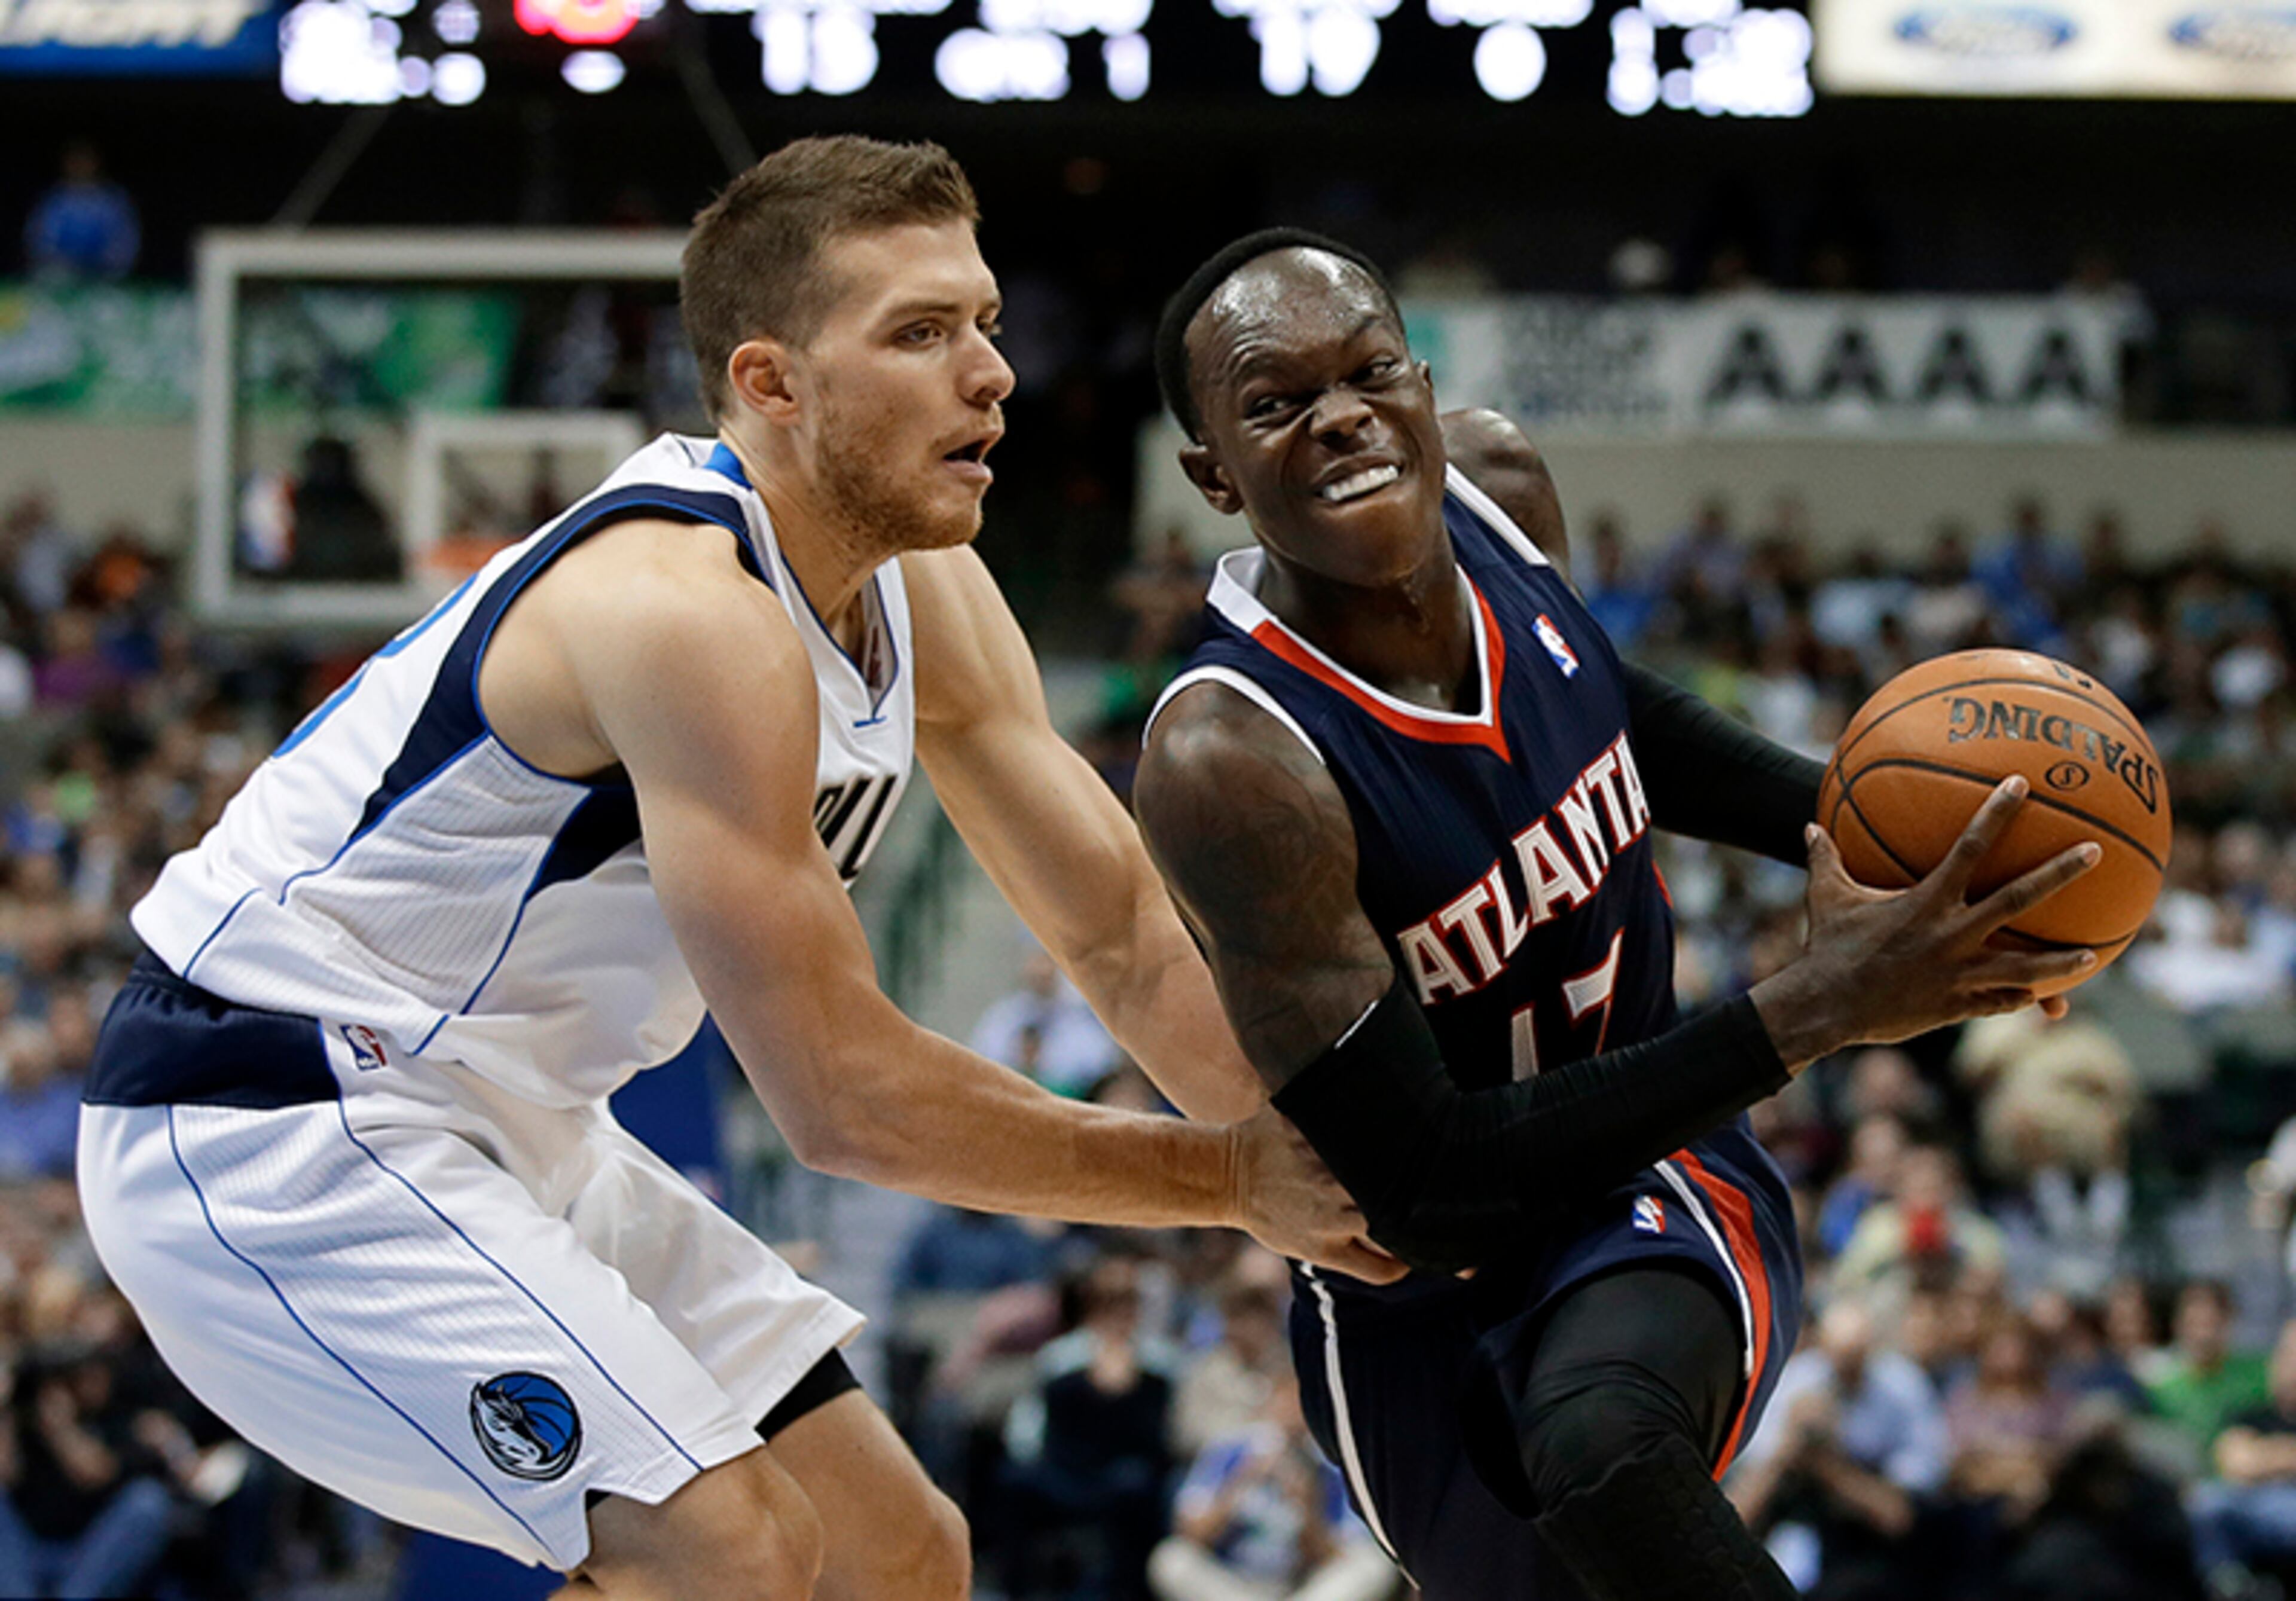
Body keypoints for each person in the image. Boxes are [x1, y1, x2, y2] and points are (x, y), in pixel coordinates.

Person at [74, 139, 1393, 1601]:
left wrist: (1339, 1173)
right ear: (770, 384)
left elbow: (1125, 937)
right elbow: (842, 1100)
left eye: (986, 323)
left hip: (503, 1116)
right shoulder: (680, 613)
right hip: (271, 1117)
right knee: (724, 1552)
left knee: (900, 1555)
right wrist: (1227, 1179)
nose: (991, 374)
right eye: (919, 333)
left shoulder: (924, 585)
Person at [1134, 228, 2100, 1600]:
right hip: (1423, 1296)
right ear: (1212, 471)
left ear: (1418, 381)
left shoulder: (1502, 491)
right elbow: (1427, 1186)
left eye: (1367, 372)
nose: (1342, 414)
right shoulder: (1233, 761)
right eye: (1278, 402)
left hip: (1656, 1177)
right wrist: (1816, 1007)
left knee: (1602, 1448)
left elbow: (1605, 703)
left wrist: (1899, 853)